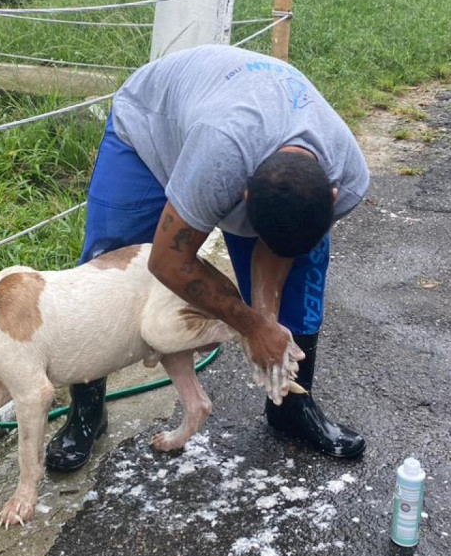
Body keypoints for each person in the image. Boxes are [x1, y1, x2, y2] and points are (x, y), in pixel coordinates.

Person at [45, 44, 370, 473]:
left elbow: (280, 247)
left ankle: (290, 409)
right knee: (110, 266)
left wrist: (267, 318)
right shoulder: (222, 156)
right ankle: (87, 413)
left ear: (332, 195)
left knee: (304, 271)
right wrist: (249, 324)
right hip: (152, 123)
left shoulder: (347, 174)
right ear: (242, 195)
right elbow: (167, 262)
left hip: (231, 123)